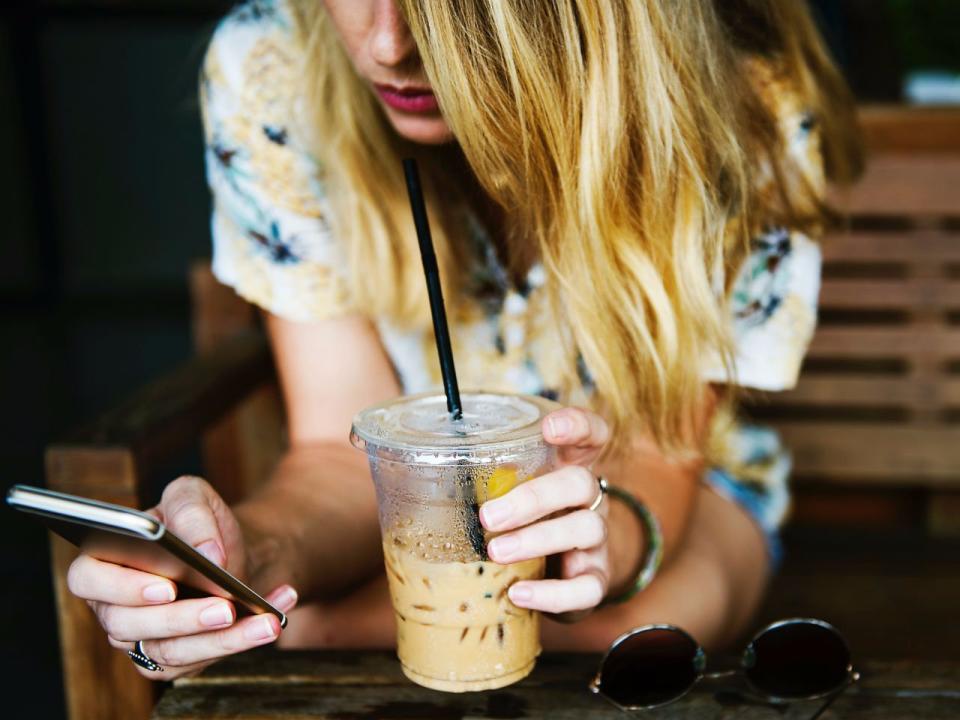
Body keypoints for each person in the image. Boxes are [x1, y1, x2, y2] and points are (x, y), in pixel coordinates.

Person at [66, 0, 862, 680]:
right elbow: (341, 452)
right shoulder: (272, 67)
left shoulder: (739, 105)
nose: (387, 44)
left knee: (615, 637)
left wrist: (600, 543)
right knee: (309, 624)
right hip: (414, 510)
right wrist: (250, 561)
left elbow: (661, 455)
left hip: (673, 490)